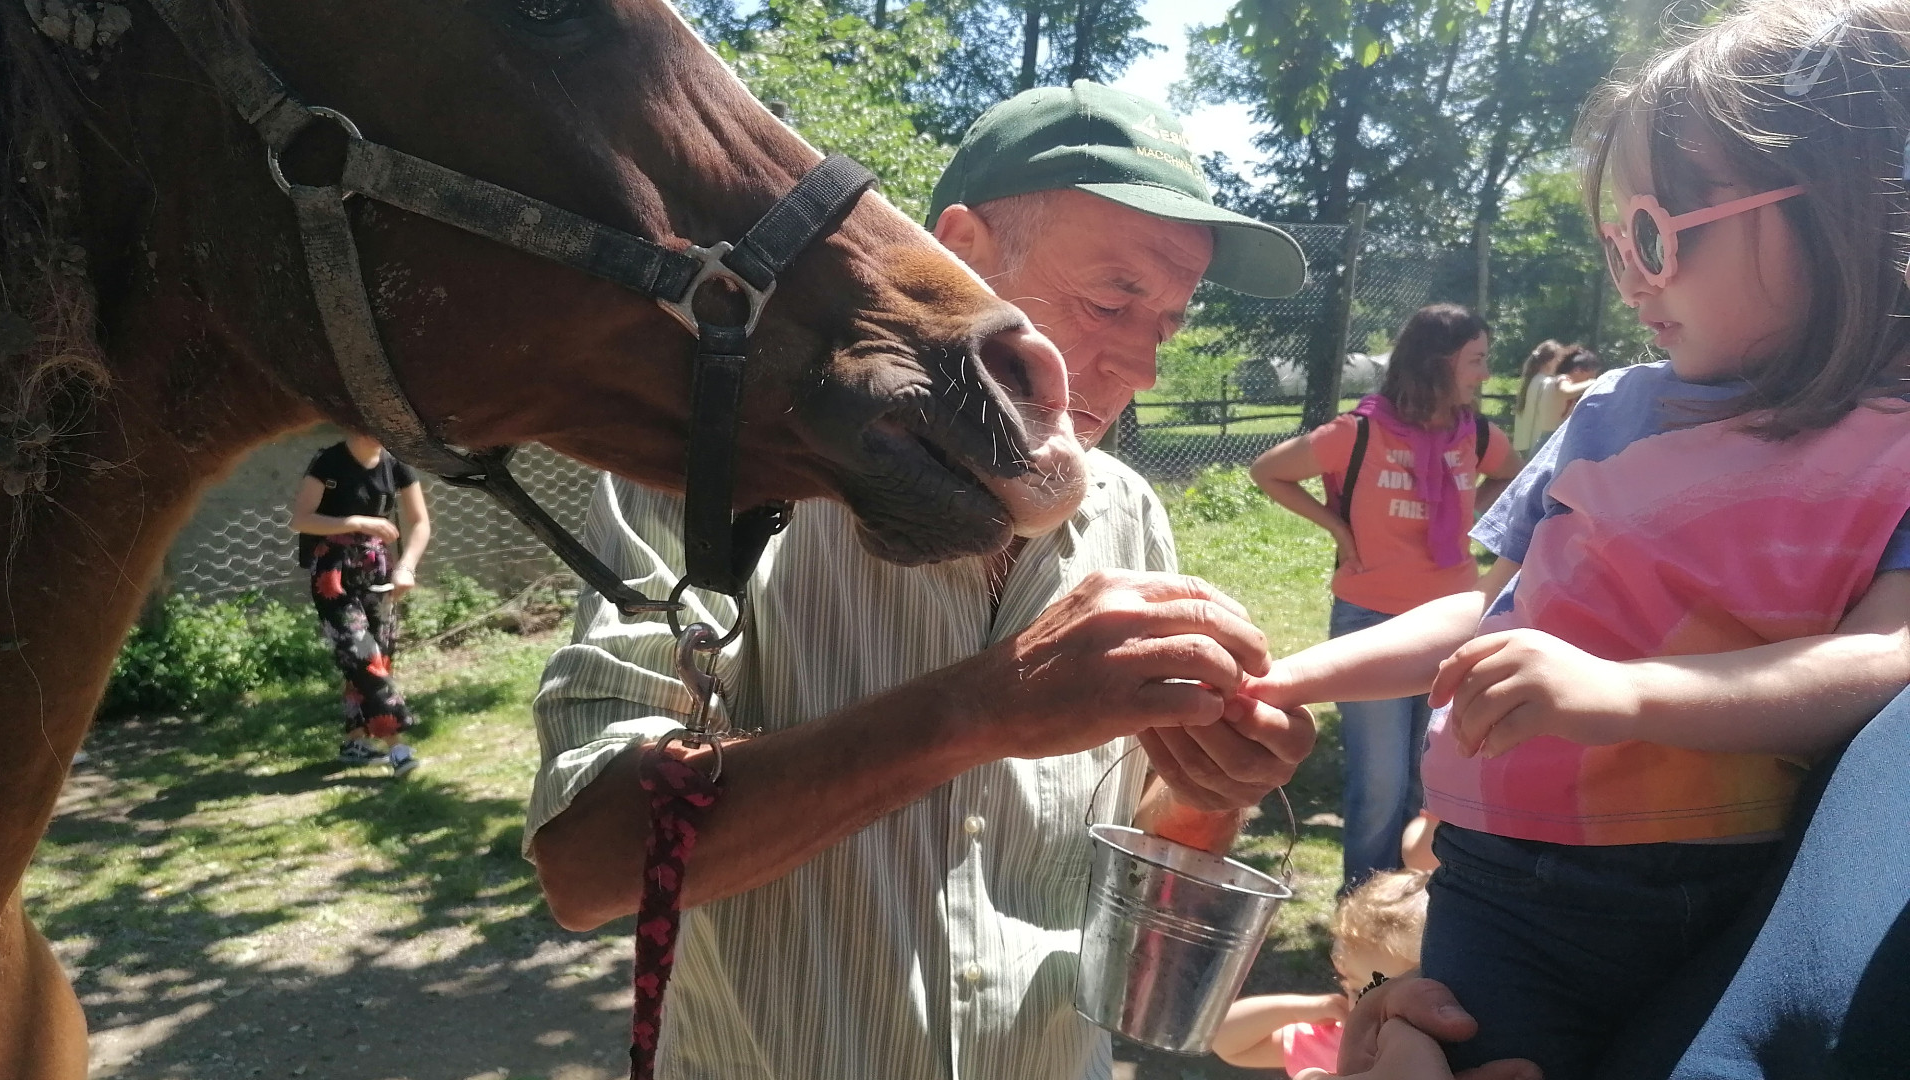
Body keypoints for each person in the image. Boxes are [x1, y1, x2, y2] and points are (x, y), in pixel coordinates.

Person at [524, 81, 1317, 1080]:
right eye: (1113, 298)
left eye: (1166, 321)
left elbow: (1133, 847)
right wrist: (982, 711)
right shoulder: (722, 476)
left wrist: (1213, 789)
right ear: (961, 250)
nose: (1141, 368)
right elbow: (586, 865)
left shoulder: (1127, 512)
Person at [1244, 0, 1910, 1074]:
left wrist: (1623, 692)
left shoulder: (1892, 449)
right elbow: (1490, 611)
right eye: (1617, 241)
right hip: (1500, 890)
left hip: (1717, 896)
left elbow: (1887, 657)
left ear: (1843, 216)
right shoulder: (1610, 414)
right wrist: (1291, 677)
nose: (1632, 276)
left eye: (1657, 234)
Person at [1249, 305, 1519, 889]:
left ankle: (1407, 914)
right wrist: (1340, 530)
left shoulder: (1475, 434)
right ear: (1437, 363)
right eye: (1476, 360)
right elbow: (1268, 471)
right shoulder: (1358, 432)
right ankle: (1362, 914)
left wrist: (1475, 518)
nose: (1485, 374)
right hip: (1369, 621)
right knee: (1380, 784)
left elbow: (1512, 476)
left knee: (1429, 782)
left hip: (1452, 627)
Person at [289, 431, 430, 777]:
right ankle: (398, 748)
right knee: (363, 656)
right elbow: (301, 519)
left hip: (377, 568)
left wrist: (406, 567)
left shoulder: (395, 463)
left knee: (375, 657)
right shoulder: (329, 461)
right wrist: (356, 522)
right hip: (332, 571)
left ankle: (356, 744)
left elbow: (420, 522)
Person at [1214, 869, 1431, 1074]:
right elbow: (1223, 1040)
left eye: (1391, 995)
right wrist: (1296, 1010)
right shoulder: (1341, 1043)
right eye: (1357, 991)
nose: (1368, 1008)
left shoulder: (1452, 1062)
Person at [1510, 340, 1565, 456]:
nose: (1559, 362)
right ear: (1548, 361)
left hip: (1524, 445)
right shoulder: (1547, 383)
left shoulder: (1531, 381)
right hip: (1538, 446)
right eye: (1557, 358)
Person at [1553, 348, 1601, 423]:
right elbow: (1566, 392)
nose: (1593, 377)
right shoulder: (1563, 378)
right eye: (1588, 377)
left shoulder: (1576, 391)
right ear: (1577, 370)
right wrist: (1591, 383)